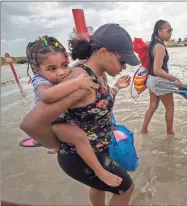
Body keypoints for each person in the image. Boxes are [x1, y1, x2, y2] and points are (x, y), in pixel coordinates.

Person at [20, 23, 140, 206]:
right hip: (79, 157)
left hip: (96, 150)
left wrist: (115, 90)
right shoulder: (79, 80)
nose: (124, 67)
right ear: (103, 52)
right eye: (122, 61)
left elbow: (97, 104)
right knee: (126, 188)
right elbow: (30, 124)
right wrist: (57, 144)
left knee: (98, 188)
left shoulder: (99, 74)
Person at [19, 36, 98, 148]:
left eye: (64, 65)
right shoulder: (39, 80)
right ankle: (56, 148)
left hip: (62, 117)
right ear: (37, 70)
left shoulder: (64, 74)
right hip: (52, 122)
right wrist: (77, 83)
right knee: (79, 137)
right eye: (52, 68)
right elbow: (47, 96)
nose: (61, 72)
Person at [140, 20, 182, 135]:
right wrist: (175, 79)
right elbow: (157, 70)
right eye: (169, 30)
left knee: (153, 105)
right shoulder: (159, 47)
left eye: (171, 30)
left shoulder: (153, 44)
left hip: (151, 80)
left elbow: (153, 69)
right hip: (159, 81)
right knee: (170, 107)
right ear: (159, 31)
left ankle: (143, 130)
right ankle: (170, 133)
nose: (171, 33)